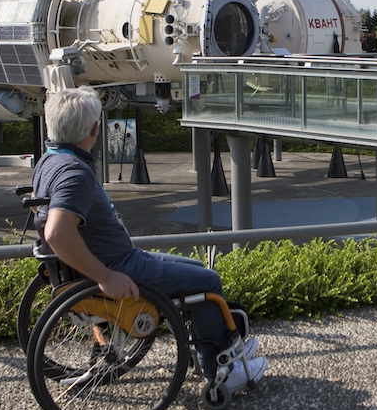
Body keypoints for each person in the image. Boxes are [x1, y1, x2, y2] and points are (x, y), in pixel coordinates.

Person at [32, 87, 266, 392]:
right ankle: (221, 368)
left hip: (115, 259)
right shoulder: (74, 174)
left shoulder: (48, 161)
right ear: (93, 129)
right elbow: (57, 232)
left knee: (195, 269)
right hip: (120, 266)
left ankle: (219, 347)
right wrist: (105, 277)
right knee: (207, 281)